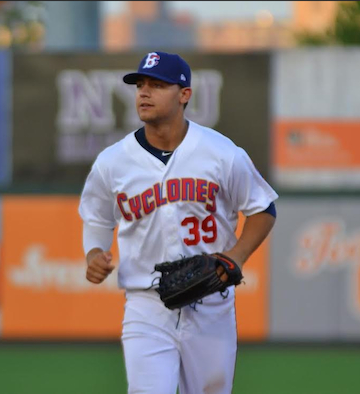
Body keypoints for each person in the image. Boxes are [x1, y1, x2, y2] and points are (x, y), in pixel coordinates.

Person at [78, 51, 278, 394]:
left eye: (157, 85)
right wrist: (94, 251)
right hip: (146, 304)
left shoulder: (221, 153)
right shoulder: (113, 162)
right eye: (140, 84)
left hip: (211, 301)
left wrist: (237, 255)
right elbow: (97, 217)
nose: (144, 92)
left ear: (184, 94)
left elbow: (263, 208)